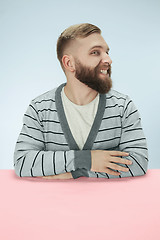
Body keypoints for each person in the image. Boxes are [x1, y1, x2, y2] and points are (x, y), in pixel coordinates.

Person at [13, 23, 148, 180]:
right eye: (95, 52)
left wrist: (76, 172)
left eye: (107, 52)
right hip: (53, 203)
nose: (108, 59)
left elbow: (138, 162)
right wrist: (87, 159)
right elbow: (23, 162)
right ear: (69, 63)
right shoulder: (40, 108)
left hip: (112, 203)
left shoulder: (123, 106)